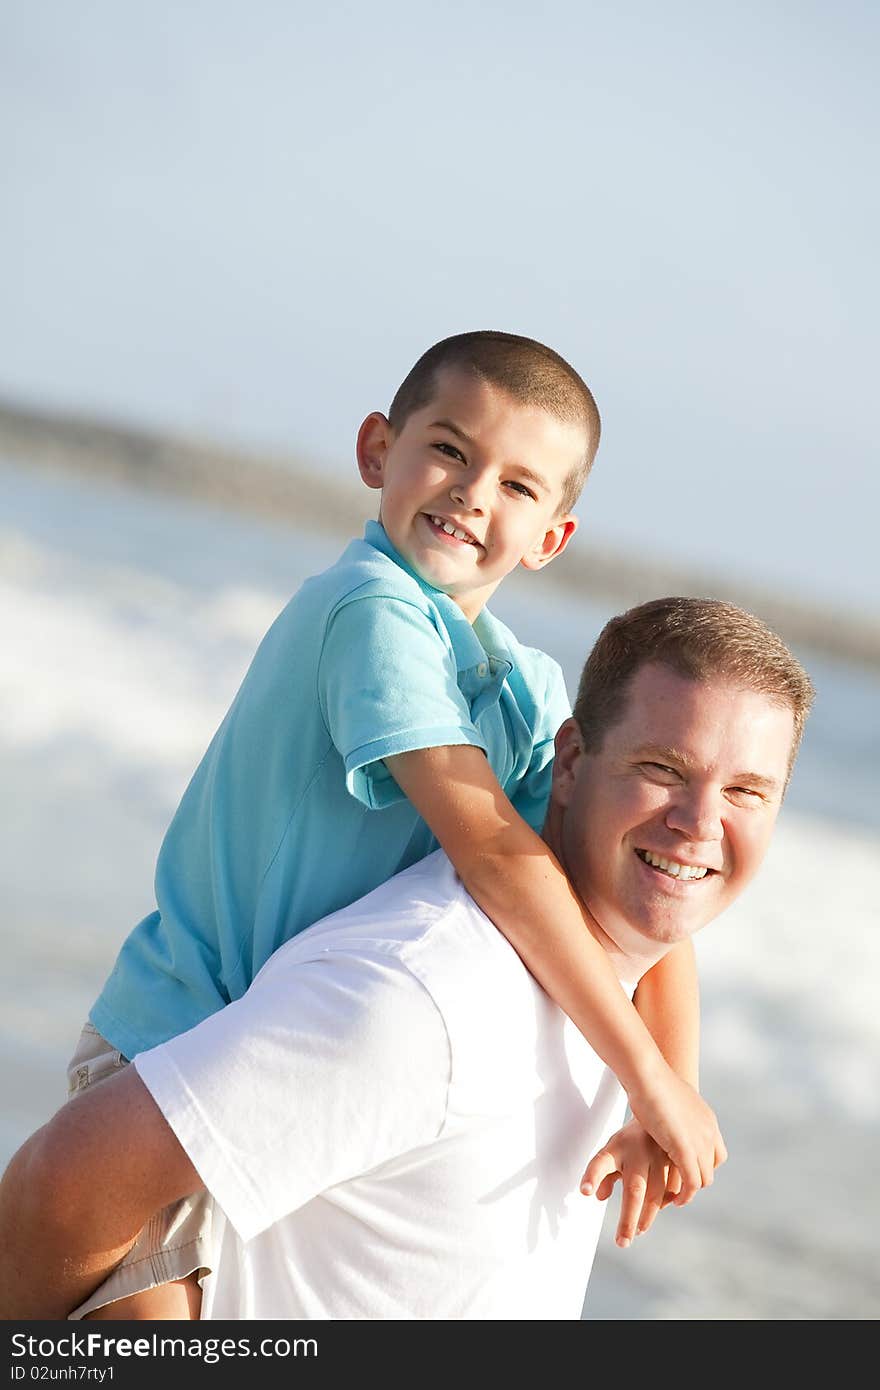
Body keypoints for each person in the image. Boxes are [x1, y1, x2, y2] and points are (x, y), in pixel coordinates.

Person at [45, 332, 719, 1318]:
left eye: (520, 485)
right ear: (378, 451)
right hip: (171, 1058)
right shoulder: (369, 610)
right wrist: (648, 1076)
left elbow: (641, 909)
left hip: (289, 1103)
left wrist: (671, 1089)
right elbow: (494, 852)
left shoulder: (525, 689)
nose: (473, 492)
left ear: (551, 538)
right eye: (449, 449)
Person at [0, 597, 814, 1320]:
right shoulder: (424, 996)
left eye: (748, 791)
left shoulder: (620, 976)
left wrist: (665, 1083)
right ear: (569, 762)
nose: (701, 823)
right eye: (662, 770)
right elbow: (59, 1188)